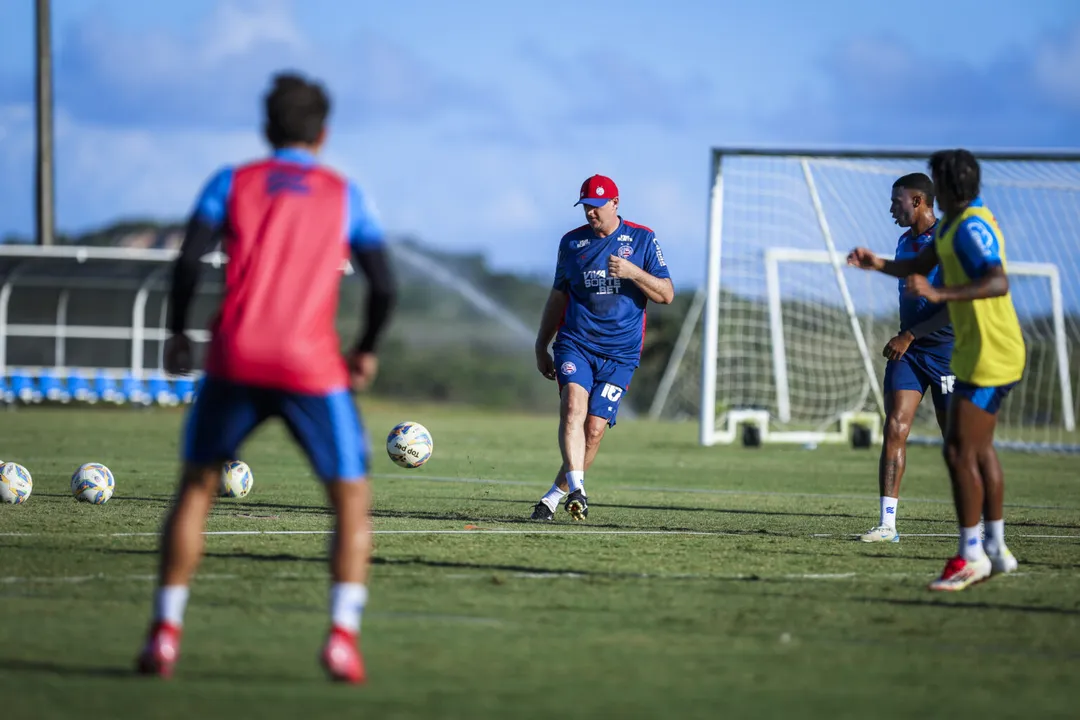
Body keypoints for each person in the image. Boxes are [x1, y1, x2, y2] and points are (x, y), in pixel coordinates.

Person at [136, 72, 396, 682]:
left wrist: (178, 332)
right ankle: (341, 638)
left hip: (235, 357)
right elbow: (384, 283)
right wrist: (364, 349)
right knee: (351, 500)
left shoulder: (230, 182)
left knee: (196, 490)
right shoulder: (346, 194)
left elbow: (189, 258)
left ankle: (165, 633)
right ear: (324, 134)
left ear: (265, 128)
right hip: (310, 365)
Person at [848, 149, 1025, 591]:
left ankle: (976, 552)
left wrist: (941, 296)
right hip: (955, 352)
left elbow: (997, 280)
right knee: (956, 446)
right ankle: (993, 550)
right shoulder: (948, 226)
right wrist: (879, 264)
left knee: (961, 449)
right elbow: (916, 268)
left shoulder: (972, 227)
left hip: (985, 352)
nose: (895, 207)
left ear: (938, 190)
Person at [531, 174, 674, 521]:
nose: (591, 214)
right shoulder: (571, 244)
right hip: (576, 344)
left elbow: (666, 294)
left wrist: (632, 272)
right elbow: (558, 296)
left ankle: (553, 497)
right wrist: (541, 343)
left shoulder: (642, 239)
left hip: (621, 355)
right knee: (573, 408)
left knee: (594, 430)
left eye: (597, 207)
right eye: (586, 208)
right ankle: (579, 490)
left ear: (615, 203)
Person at [860, 173, 954, 543]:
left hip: (948, 354)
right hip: (910, 354)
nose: (890, 208)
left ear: (917, 201)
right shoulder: (903, 242)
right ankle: (887, 525)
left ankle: (976, 523)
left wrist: (910, 334)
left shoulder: (949, 241)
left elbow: (954, 307)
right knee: (895, 427)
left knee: (956, 443)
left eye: (896, 201)